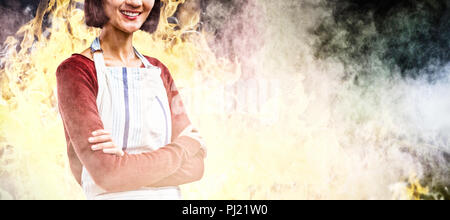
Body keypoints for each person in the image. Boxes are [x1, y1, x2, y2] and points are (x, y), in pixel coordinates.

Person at [56, 0, 207, 200]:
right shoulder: (75, 72)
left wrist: (125, 167)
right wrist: (184, 147)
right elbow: (107, 174)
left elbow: (196, 167)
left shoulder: (158, 71)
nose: (135, 2)